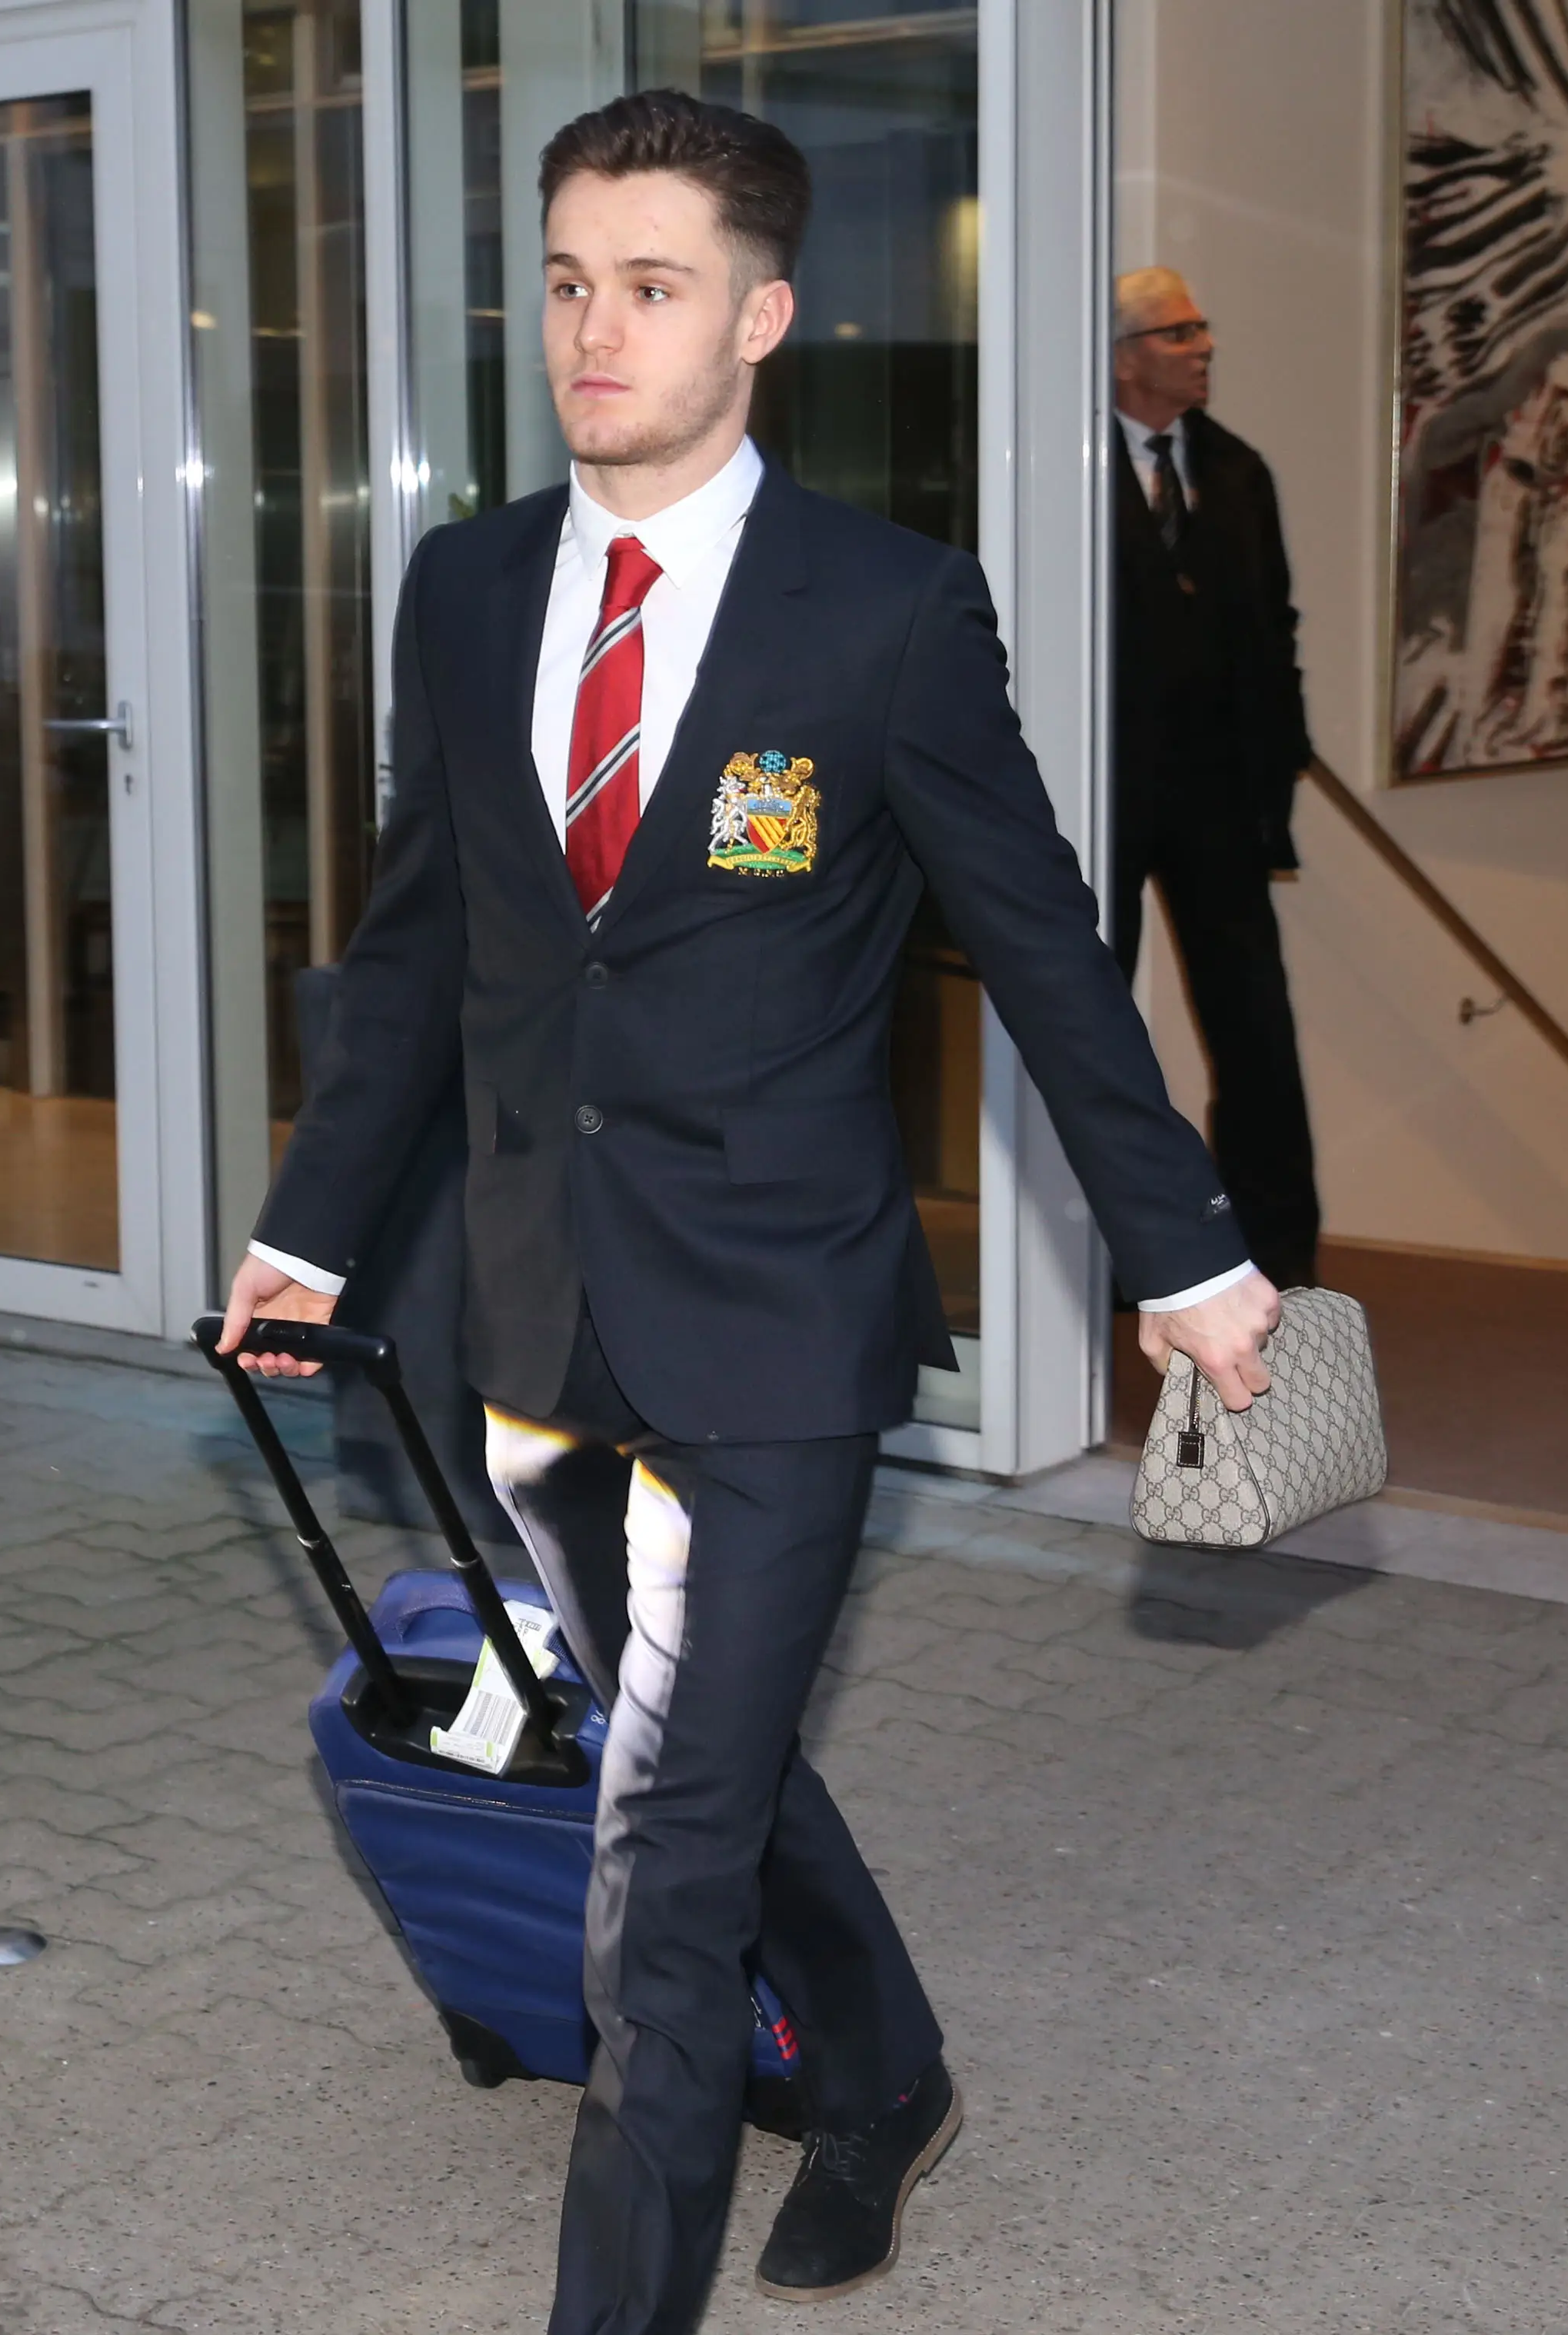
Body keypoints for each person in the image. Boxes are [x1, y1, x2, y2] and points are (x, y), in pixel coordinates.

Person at [218, 93, 1280, 2335]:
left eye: (653, 286)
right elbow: (423, 945)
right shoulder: (470, 586)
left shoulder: (882, 612)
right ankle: (884, 2079)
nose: (593, 332)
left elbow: (1047, 948)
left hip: (780, 1320)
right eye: (567, 283)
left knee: (663, 1862)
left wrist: (1184, 1252)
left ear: (763, 319)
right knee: (703, 1744)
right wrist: (309, 1229)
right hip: (540, 1301)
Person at [1111, 265, 1321, 1289]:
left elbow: (1275, 630)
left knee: (1254, 1024)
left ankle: (1273, 1252)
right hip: (1101, 793)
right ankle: (1105, 1252)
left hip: (1220, 796)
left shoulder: (1237, 470)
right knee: (1095, 1026)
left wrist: (1278, 775)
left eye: (1200, 329)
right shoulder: (1061, 462)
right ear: (1123, 357)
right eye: (1179, 332)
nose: (1204, 348)